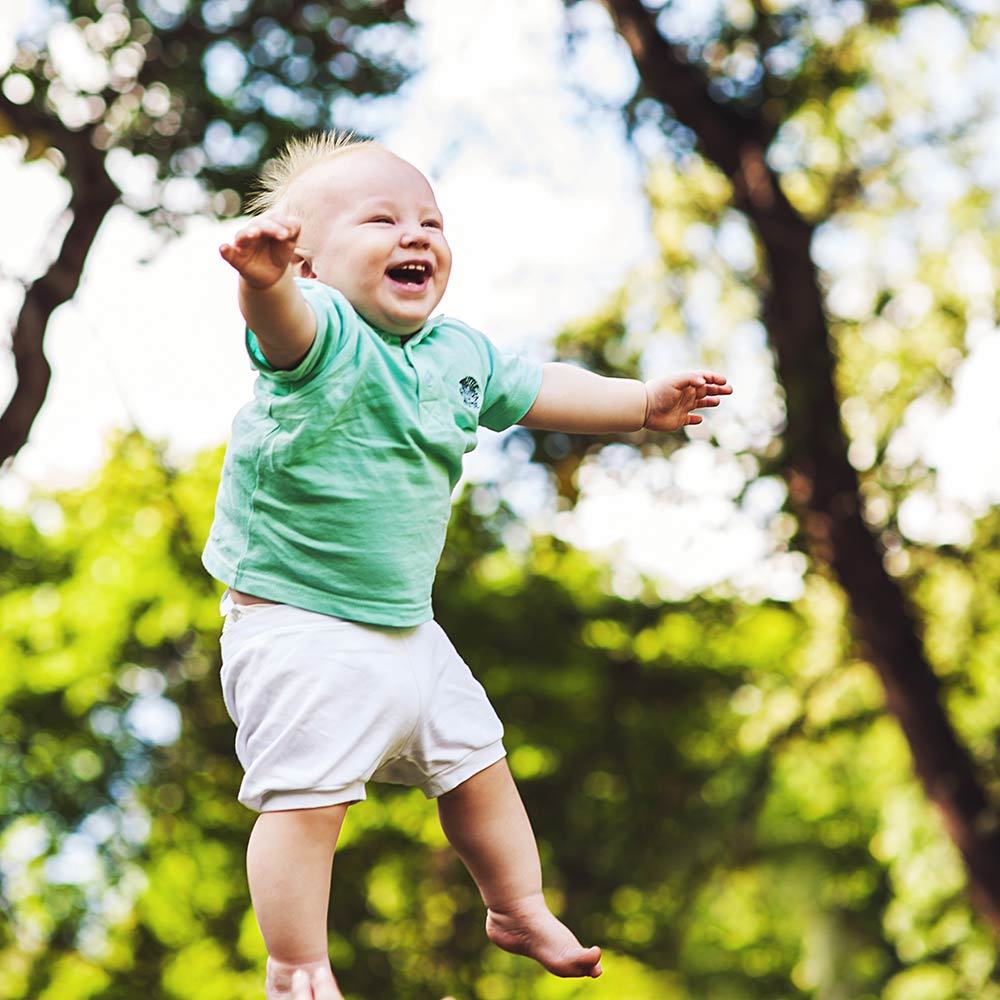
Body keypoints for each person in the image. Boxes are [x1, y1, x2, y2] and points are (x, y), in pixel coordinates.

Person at [205, 131, 732, 1000]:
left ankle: (517, 905)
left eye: (430, 221)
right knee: (308, 804)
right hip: (299, 626)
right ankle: (295, 964)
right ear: (310, 261)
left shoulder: (459, 354)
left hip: (409, 629)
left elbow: (543, 389)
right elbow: (282, 326)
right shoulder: (323, 332)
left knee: (479, 765)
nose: (416, 235)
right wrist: (261, 284)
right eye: (381, 220)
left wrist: (641, 404)